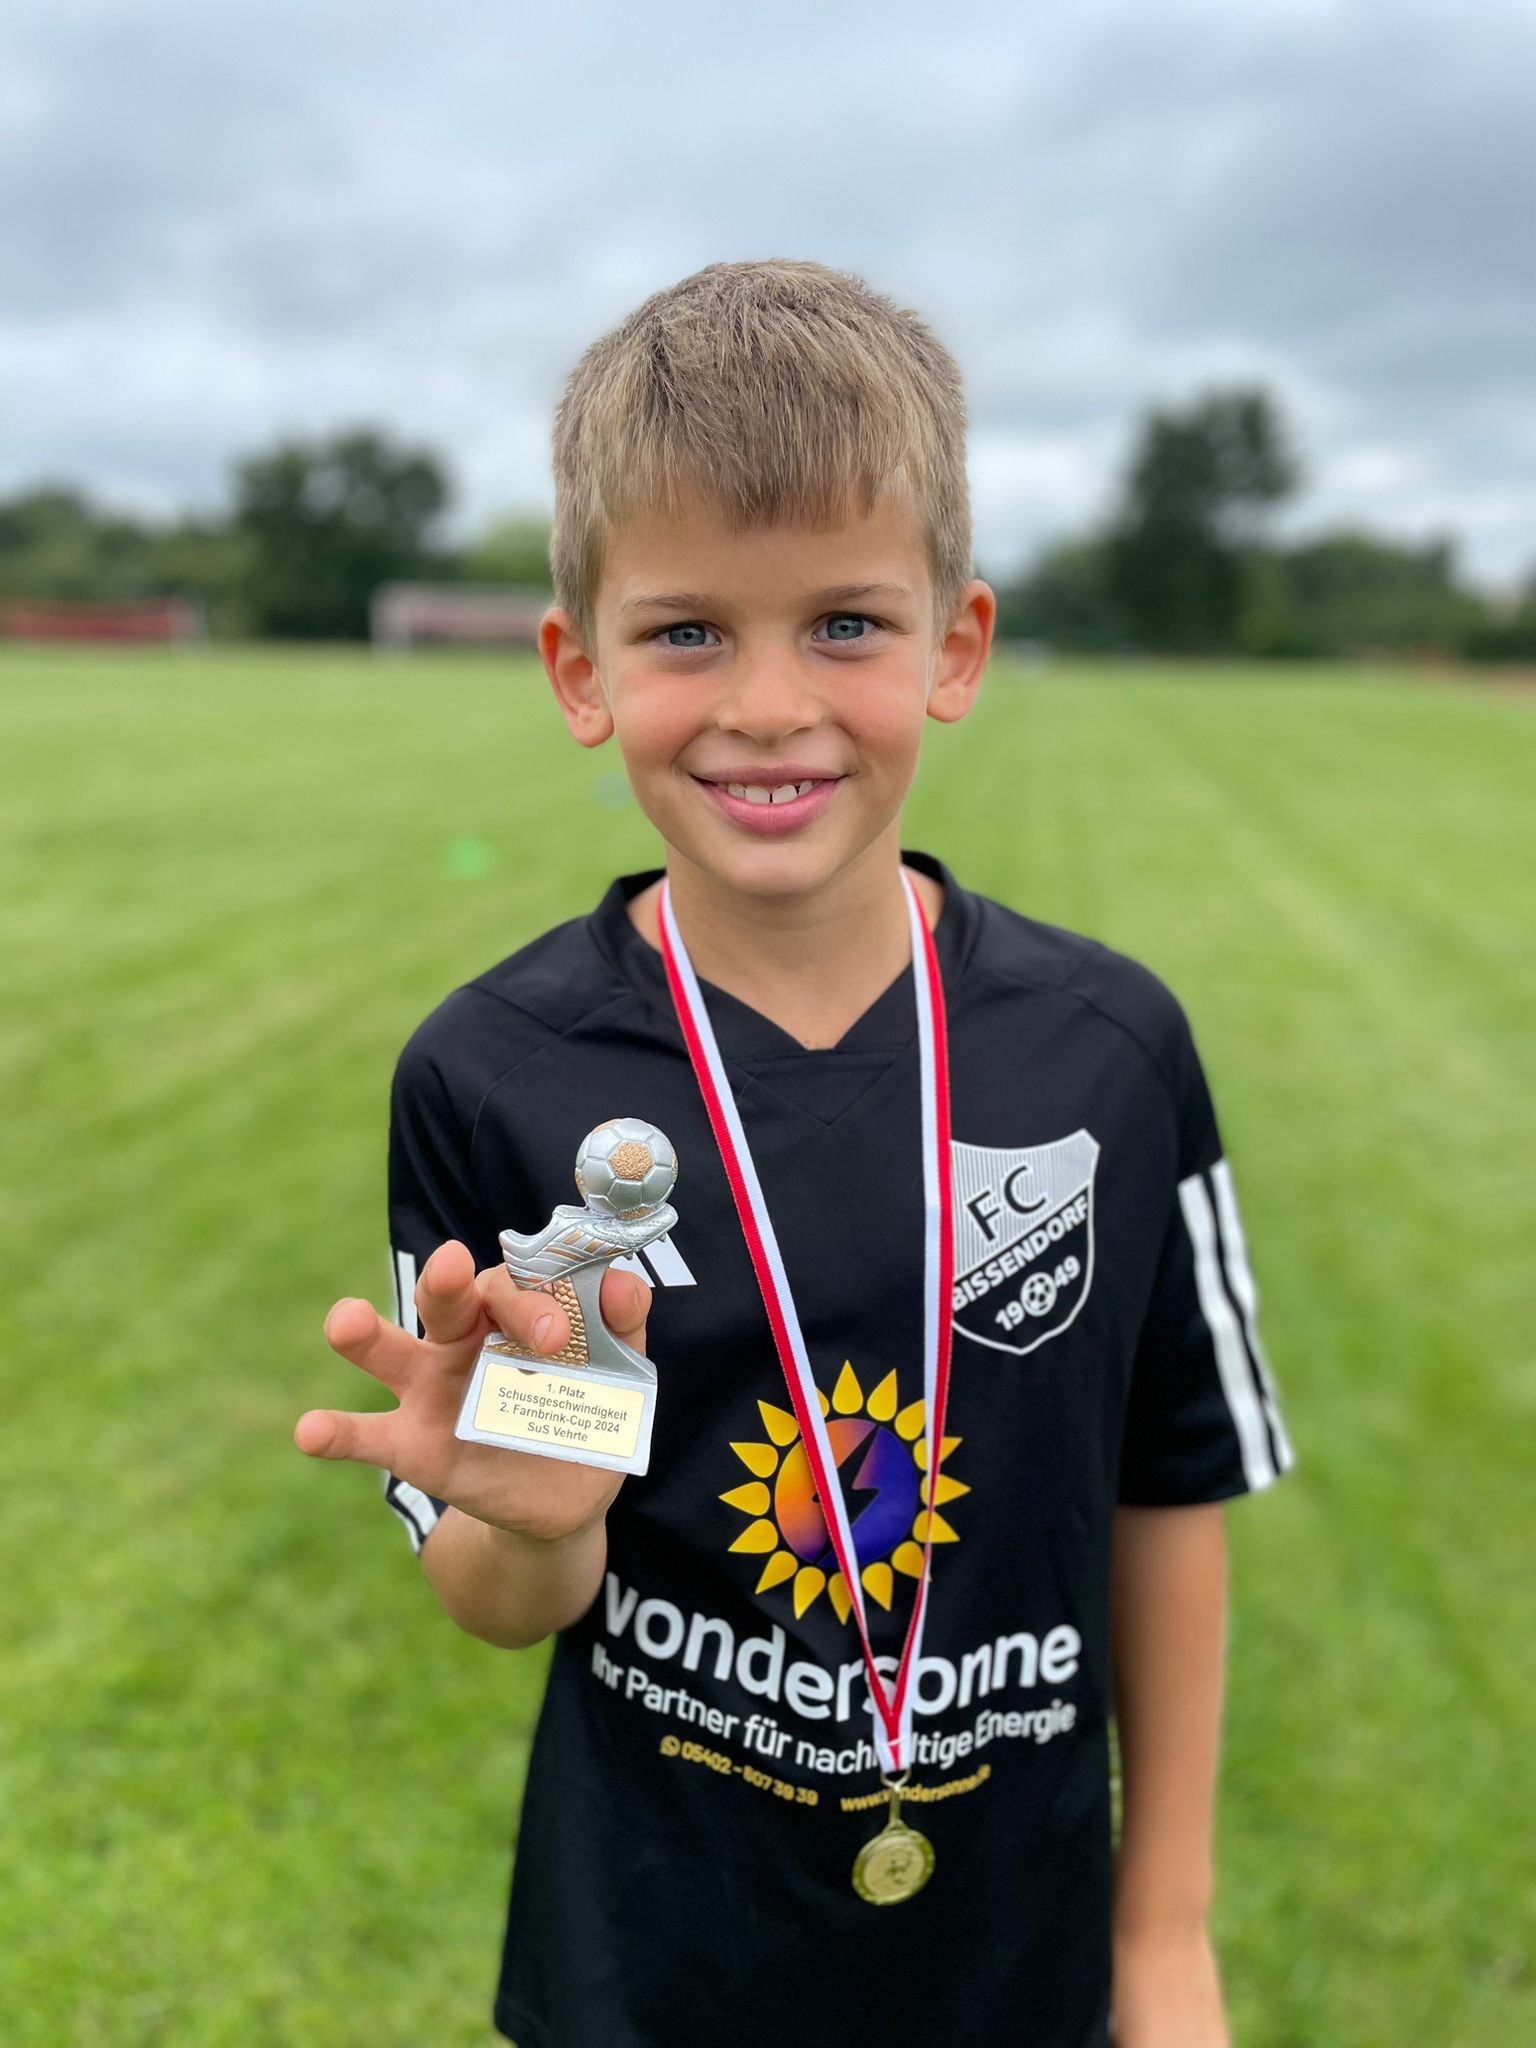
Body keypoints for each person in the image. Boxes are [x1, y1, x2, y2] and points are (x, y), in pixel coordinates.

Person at [294, 258, 1294, 2048]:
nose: (767, 704)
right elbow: (505, 1591)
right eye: (687, 632)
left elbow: (1171, 1492)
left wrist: (1166, 1943)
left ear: (955, 646)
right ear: (580, 670)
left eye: (844, 624)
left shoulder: (1111, 1049)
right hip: (650, 1977)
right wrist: (533, 1522)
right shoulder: (494, 1072)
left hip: (1026, 1973)